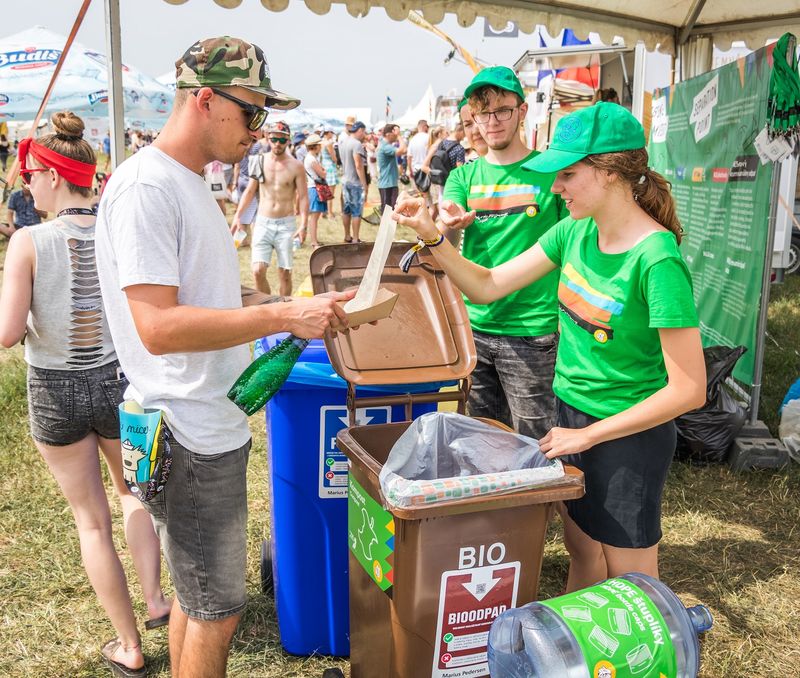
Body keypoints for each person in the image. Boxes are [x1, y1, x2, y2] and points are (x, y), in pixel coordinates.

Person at [95, 37, 352, 678]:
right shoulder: (147, 188)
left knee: (197, 594)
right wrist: (279, 315)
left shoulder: (185, 182)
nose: (260, 131)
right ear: (205, 100)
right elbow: (155, 325)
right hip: (186, 429)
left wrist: (273, 301)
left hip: (203, 420)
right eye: (253, 113)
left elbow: (202, 293)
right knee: (219, 610)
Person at [393, 101, 706, 591]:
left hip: (627, 437)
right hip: (571, 418)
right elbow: (488, 285)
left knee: (633, 581)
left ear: (609, 172)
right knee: (582, 550)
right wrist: (433, 236)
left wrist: (591, 435)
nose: (556, 187)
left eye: (567, 174)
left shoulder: (657, 259)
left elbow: (689, 390)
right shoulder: (573, 231)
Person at [0, 111, 171, 678]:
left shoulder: (28, 240)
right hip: (120, 382)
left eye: (30, 174)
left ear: (52, 175)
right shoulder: (117, 230)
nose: (26, 184)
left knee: (91, 521)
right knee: (134, 497)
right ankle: (156, 601)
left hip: (54, 389)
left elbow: (8, 331)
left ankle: (128, 645)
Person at [439, 66, 567, 440]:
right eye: (483, 113)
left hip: (533, 332)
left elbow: (571, 250)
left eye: (502, 111)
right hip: (474, 328)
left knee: (536, 441)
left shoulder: (551, 173)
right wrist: (447, 221)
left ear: (522, 111)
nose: (491, 122)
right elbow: (446, 228)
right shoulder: (463, 177)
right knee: (481, 438)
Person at [233, 120, 308, 292]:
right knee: (257, 271)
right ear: (267, 138)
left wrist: (303, 224)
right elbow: (250, 191)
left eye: (282, 140)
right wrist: (238, 216)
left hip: (286, 224)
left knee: (285, 273)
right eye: (274, 139)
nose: (277, 144)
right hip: (263, 222)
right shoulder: (259, 161)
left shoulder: (296, 166)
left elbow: (303, 197)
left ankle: (283, 309)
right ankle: (267, 308)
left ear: (288, 141)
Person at [231, 133, 266, 247]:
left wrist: (235, 182)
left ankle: (242, 241)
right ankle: (254, 241)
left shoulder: (239, 150)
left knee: (244, 212)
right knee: (255, 213)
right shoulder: (257, 150)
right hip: (253, 182)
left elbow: (237, 167)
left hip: (241, 181)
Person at [339, 120, 368, 243]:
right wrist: (364, 184)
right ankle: (355, 238)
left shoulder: (342, 142)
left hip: (345, 180)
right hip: (355, 182)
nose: (364, 135)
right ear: (360, 130)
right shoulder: (356, 144)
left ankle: (347, 236)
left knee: (346, 210)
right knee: (356, 211)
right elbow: (358, 165)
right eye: (364, 132)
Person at [303, 133, 328, 249]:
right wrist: (324, 171)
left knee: (314, 217)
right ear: (316, 146)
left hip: (313, 188)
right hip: (315, 189)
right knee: (314, 217)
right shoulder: (312, 159)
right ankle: (314, 241)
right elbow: (322, 174)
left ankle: (314, 240)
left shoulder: (310, 158)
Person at [376, 123, 407, 212]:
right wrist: (399, 136)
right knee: (387, 211)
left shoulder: (385, 145)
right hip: (387, 184)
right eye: (395, 133)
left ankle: (389, 225)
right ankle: (386, 226)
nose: (396, 136)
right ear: (388, 134)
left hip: (389, 183)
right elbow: (403, 150)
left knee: (391, 210)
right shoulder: (385, 147)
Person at [406, 119, 430, 198]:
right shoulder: (428, 137)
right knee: (429, 197)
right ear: (424, 126)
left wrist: (410, 170)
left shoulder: (412, 139)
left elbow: (409, 157)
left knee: (420, 195)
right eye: (427, 126)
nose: (428, 128)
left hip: (416, 170)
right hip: (427, 169)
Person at [320, 129, 339, 217]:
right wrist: (336, 160)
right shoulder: (328, 143)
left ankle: (323, 212)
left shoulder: (321, 142)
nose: (332, 134)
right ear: (328, 133)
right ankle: (330, 213)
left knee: (324, 191)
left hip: (324, 166)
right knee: (331, 192)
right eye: (331, 132)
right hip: (330, 167)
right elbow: (334, 157)